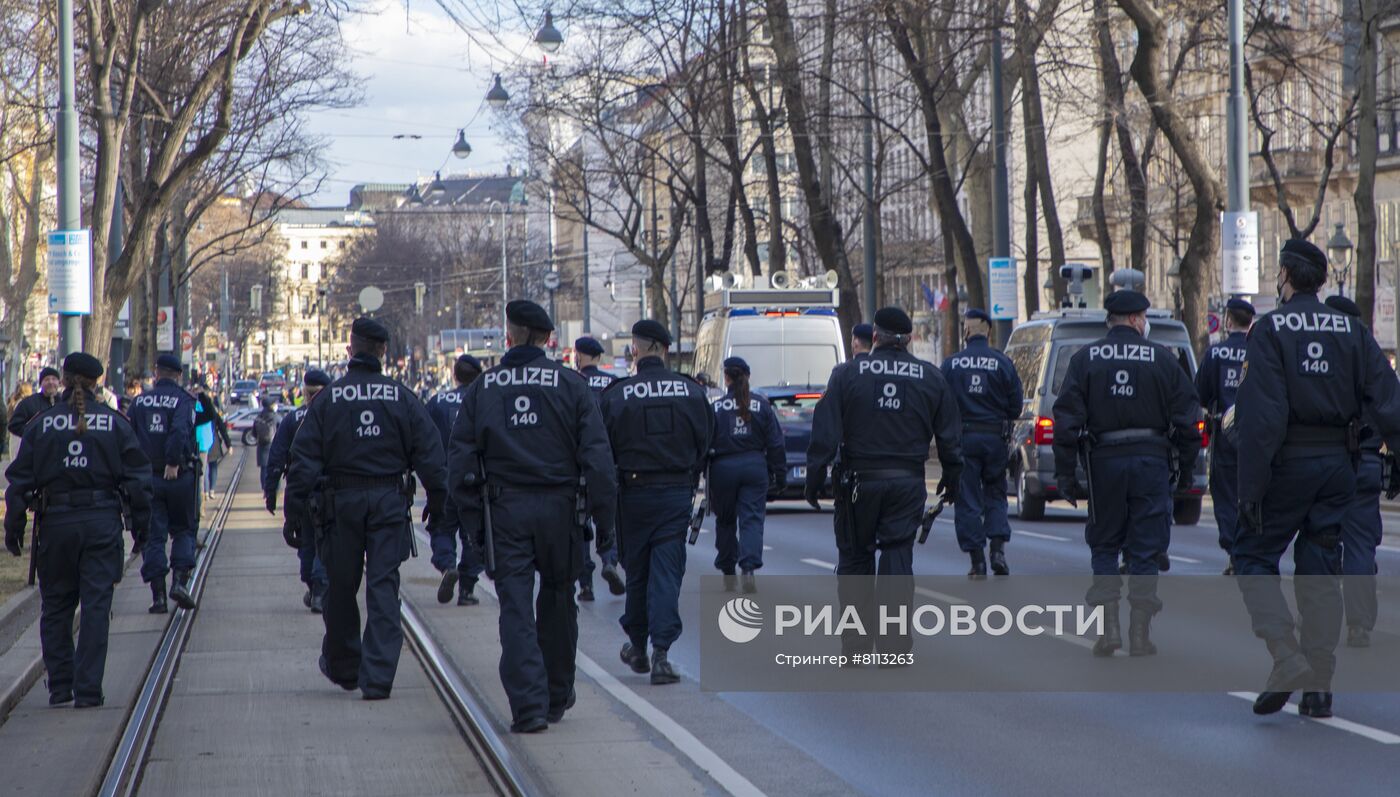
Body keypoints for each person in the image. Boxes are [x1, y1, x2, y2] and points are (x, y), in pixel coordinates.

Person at [1232, 239, 1400, 719]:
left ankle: (1286, 655)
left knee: (1251, 554)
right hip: (1337, 468)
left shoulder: (1270, 330)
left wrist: (1249, 488)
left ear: (1285, 275)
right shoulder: (1351, 329)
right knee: (1322, 567)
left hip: (1287, 463)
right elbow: (1387, 398)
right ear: (1322, 280)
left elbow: (1261, 417)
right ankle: (1320, 686)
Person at [449, 302, 618, 732]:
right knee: (560, 599)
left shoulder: (483, 389)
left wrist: (473, 528)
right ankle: (557, 695)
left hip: (504, 510)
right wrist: (605, 528)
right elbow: (598, 461)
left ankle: (528, 706)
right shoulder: (572, 385)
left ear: (510, 335)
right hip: (561, 509)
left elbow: (461, 467)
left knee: (516, 607)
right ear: (546, 338)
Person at [283, 317, 447, 701]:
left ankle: (344, 666)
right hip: (389, 502)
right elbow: (431, 453)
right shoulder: (402, 397)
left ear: (350, 349)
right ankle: (377, 677)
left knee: (340, 587)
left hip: (340, 505)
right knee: (383, 586)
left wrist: (294, 513)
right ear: (383, 352)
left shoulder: (327, 400)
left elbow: (303, 459)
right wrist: (439, 502)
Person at [1052, 290, 1201, 659]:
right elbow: (1188, 420)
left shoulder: (1085, 359)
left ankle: (1109, 629)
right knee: (1145, 549)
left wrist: (1066, 475)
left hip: (1104, 464)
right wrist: (1185, 470)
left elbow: (1066, 420)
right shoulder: (1164, 359)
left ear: (1112, 320)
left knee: (1104, 544)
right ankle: (1139, 633)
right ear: (1137, 319)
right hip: (1152, 464)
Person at [807, 307, 962, 658]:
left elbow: (825, 430)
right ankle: (893, 648)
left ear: (874, 336)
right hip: (907, 482)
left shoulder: (847, 375)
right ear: (909, 339)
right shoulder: (931, 377)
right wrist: (953, 477)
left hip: (857, 482)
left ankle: (856, 646)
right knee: (896, 557)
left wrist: (814, 479)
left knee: (855, 559)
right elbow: (951, 435)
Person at [4, 353, 153, 709]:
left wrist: (14, 527)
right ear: (96, 382)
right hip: (101, 524)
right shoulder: (115, 424)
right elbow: (138, 480)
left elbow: (19, 480)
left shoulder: (42, 425)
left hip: (56, 526)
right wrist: (142, 527)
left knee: (55, 606)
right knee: (96, 608)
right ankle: (88, 689)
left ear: (65, 380)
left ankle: (60, 684)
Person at [600, 319, 712, 685]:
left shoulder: (618, 394)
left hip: (632, 494)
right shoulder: (691, 393)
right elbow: (706, 442)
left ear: (635, 350)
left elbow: (603, 447)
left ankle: (636, 644)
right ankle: (661, 653)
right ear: (664, 350)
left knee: (638, 572)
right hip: (676, 493)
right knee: (666, 572)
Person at [1322, 295, 1385, 650]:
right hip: (1366, 459)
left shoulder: (1316, 354)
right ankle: (1358, 626)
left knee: (1319, 538)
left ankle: (1314, 614)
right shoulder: (1372, 356)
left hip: (1324, 461)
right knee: (1361, 546)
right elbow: (1392, 407)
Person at [941, 308, 1024, 578]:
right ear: (988, 331)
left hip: (963, 439)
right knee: (996, 493)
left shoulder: (951, 364)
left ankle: (977, 561)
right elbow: (1015, 406)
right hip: (995, 440)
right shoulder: (1002, 363)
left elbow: (940, 407)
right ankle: (998, 550)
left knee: (967, 499)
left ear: (966, 331)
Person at [128, 354, 201, 614]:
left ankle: (157, 595)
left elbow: (130, 440)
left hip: (147, 478)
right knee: (184, 529)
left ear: (157, 373)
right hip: (178, 475)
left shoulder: (138, 403)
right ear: (179, 375)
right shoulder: (184, 400)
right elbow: (180, 430)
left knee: (153, 535)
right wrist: (172, 461)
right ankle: (180, 582)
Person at [709, 356, 785, 593]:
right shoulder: (762, 406)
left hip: (723, 469)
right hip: (754, 467)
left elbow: (703, 443)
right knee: (751, 519)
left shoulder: (716, 408)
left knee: (726, 520)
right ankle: (749, 569)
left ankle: (727, 571)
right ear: (748, 377)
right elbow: (775, 443)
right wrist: (779, 475)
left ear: (727, 377)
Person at [263, 370, 332, 612]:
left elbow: (276, 458)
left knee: (307, 541)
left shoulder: (293, 419)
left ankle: (314, 587)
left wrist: (270, 492)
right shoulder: (336, 416)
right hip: (331, 491)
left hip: (302, 491)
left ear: (304, 392)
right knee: (325, 542)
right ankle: (319, 589)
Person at [1195, 298, 1255, 573]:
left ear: (1228, 320)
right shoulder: (1259, 351)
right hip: (1255, 434)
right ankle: (1250, 548)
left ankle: (1233, 550)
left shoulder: (1216, 353)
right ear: (1250, 322)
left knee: (1226, 494)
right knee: (1254, 493)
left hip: (1223, 432)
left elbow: (1201, 393)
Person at [425, 354, 486, 607]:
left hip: (445, 478)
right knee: (475, 534)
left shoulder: (438, 402)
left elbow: (424, 440)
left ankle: (448, 565)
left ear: (455, 375)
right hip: (476, 480)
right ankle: (468, 589)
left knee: (441, 527)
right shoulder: (485, 401)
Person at [573, 335, 625, 601]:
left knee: (581, 525)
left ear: (579, 356)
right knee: (608, 517)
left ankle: (586, 584)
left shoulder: (572, 382)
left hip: (578, 465)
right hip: (607, 462)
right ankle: (609, 561)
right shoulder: (613, 384)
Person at [191, 380, 232, 499]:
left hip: (202, 443)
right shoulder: (204, 409)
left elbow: (218, 423)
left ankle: (206, 493)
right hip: (207, 443)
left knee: (202, 471)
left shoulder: (193, 407)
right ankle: (207, 493)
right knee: (205, 470)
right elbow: (218, 422)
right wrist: (228, 444)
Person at [8, 367, 61, 438]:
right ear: (41, 384)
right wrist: (33, 436)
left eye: (54, 379)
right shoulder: (28, 403)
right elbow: (14, 425)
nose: (51, 382)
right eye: (47, 379)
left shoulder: (65, 402)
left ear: (58, 382)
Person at [254, 396, 279, 468]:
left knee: (264, 469)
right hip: (274, 446)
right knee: (272, 471)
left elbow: (254, 433)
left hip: (262, 446)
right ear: (271, 405)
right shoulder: (275, 416)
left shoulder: (259, 416)